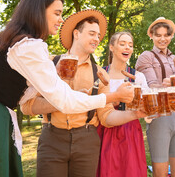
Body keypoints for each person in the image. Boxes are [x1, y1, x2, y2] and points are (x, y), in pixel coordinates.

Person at [0, 0, 133, 177]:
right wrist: (114, 96)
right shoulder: (30, 46)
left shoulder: (21, 43)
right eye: (57, 13)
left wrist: (58, 76)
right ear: (38, 12)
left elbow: (22, 92)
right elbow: (63, 101)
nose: (61, 19)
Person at [20, 12, 145, 177]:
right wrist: (68, 100)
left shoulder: (100, 74)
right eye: (91, 33)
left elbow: (107, 117)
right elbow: (26, 106)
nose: (96, 38)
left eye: (98, 35)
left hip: (86, 140)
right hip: (52, 138)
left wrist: (134, 113)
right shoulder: (48, 64)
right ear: (76, 33)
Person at [135, 17, 175, 177]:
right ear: (151, 35)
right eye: (158, 35)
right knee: (160, 172)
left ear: (171, 36)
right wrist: (174, 81)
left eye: (166, 35)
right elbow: (152, 86)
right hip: (160, 114)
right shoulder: (146, 57)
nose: (162, 39)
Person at [96, 31, 149, 177]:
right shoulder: (99, 74)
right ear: (112, 47)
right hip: (103, 129)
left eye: (130, 45)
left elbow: (148, 109)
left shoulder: (138, 77)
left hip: (130, 130)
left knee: (131, 171)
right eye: (122, 44)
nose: (127, 48)